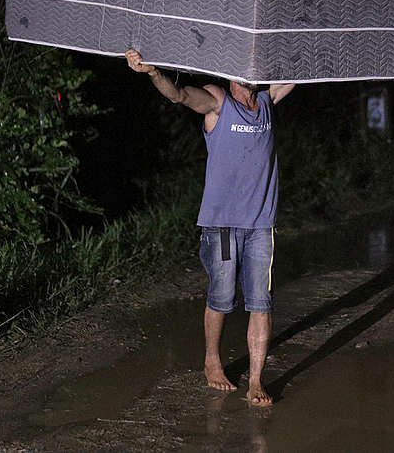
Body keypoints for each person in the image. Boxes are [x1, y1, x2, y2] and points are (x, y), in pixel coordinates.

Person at [125, 49, 296, 406]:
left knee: (261, 302)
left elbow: (302, 74)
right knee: (221, 296)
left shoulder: (266, 101)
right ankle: (212, 361)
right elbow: (179, 95)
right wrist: (154, 73)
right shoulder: (218, 101)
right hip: (221, 227)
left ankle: (256, 381)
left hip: (261, 225)